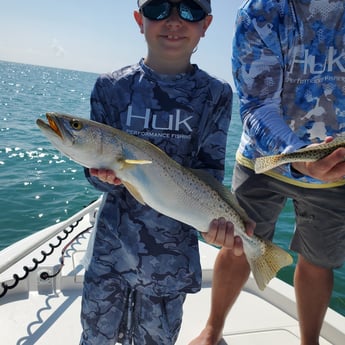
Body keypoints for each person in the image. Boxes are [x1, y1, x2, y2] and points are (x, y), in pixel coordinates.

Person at [79, 1, 240, 344]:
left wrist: (218, 225)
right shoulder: (110, 87)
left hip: (171, 260)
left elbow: (209, 172)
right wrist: (99, 176)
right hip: (111, 253)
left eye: (190, 11)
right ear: (140, 19)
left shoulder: (216, 95)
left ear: (206, 24)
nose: (173, 21)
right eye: (159, 7)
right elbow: (94, 173)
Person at [190, 1, 345, 345]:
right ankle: (213, 328)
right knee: (236, 246)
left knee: (319, 261)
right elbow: (257, 104)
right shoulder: (261, 11)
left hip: (336, 167)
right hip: (264, 158)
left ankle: (309, 342)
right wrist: (298, 158)